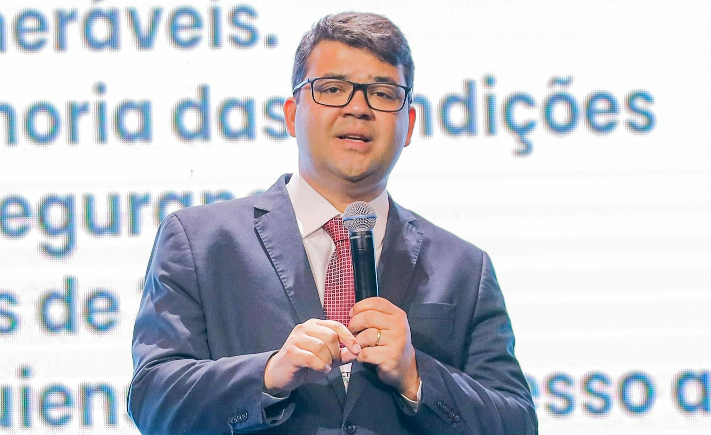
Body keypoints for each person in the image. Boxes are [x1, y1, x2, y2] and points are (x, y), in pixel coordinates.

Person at [128, 12, 537, 435]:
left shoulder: (464, 268)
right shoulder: (200, 243)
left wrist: (417, 376)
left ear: (409, 125)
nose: (358, 108)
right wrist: (268, 375)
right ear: (291, 115)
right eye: (332, 89)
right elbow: (153, 401)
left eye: (382, 93)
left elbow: (517, 424)